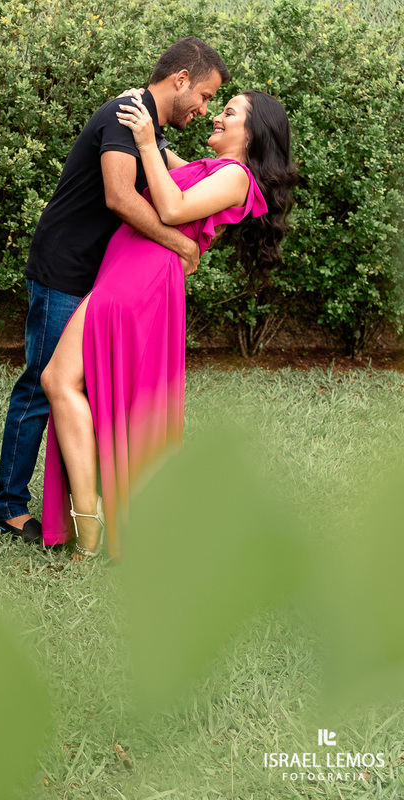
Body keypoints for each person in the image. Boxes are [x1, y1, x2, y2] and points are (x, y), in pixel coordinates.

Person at [0, 37, 229, 543]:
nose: (205, 109)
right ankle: (8, 508)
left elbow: (185, 182)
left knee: (77, 389)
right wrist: (179, 246)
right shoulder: (126, 114)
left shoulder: (150, 128)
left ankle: (85, 506)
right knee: (41, 387)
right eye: (205, 97)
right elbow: (120, 197)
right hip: (63, 271)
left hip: (96, 277)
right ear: (181, 81)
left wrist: (239, 174)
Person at [40, 89, 297, 559]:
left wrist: (142, 141)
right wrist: (144, 118)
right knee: (72, 383)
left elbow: (173, 208)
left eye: (229, 112)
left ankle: (93, 523)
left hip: (141, 275)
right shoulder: (213, 169)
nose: (217, 117)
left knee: (59, 379)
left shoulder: (237, 178)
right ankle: (99, 519)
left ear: (253, 132)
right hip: (128, 269)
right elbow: (165, 163)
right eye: (219, 107)